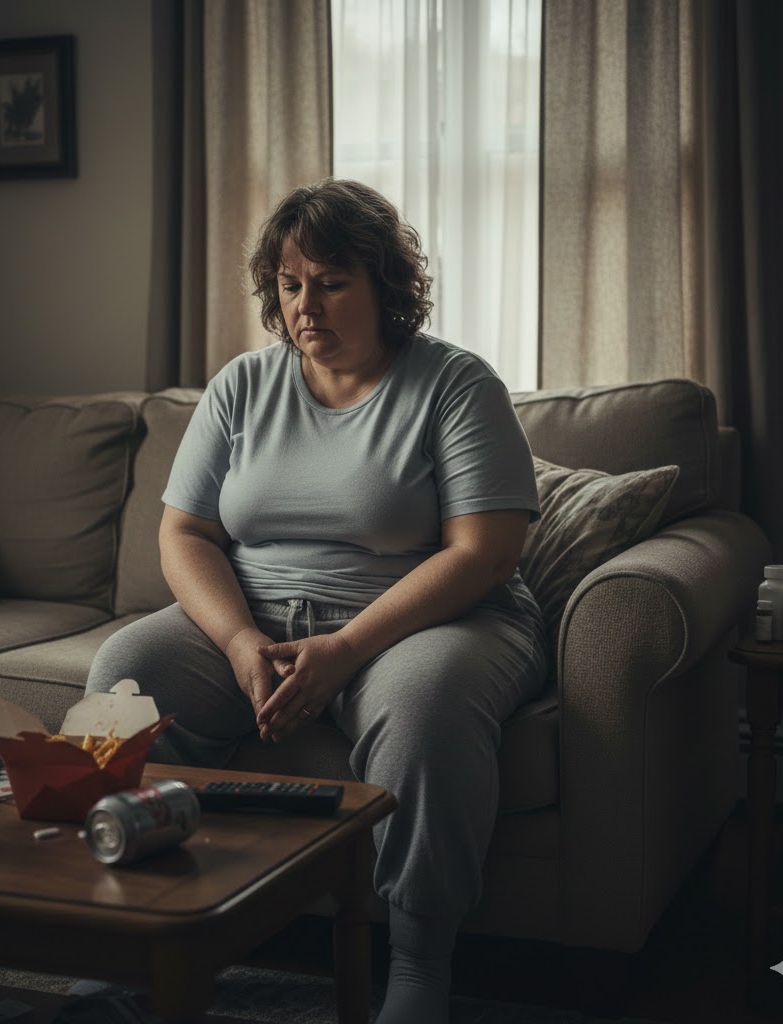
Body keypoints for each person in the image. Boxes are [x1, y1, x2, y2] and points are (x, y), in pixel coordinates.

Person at [85, 178, 547, 1024]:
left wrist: (343, 652)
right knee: (125, 670)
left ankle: (418, 962)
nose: (307, 305)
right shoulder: (241, 387)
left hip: (430, 619)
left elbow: (485, 554)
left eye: (332, 282)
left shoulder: (454, 384)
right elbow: (183, 535)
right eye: (291, 285)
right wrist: (234, 641)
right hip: (258, 617)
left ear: (386, 287)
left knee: (423, 704)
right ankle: (146, 928)